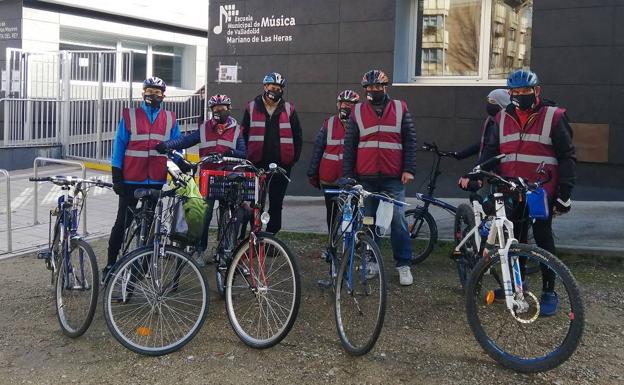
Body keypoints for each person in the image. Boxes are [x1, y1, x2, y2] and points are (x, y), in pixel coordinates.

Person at [465, 69, 576, 316]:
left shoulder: (554, 117)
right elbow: (491, 153)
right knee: (515, 240)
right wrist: (477, 173)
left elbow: (567, 157)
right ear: (509, 93)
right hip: (511, 189)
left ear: (537, 91)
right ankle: (519, 286)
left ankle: (549, 289)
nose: (520, 96)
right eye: (515, 92)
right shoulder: (502, 118)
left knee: (543, 238)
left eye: (525, 91)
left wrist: (564, 194)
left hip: (539, 191)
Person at [342, 69, 418, 286]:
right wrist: (348, 175)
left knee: (398, 222)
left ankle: (404, 265)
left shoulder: (400, 108)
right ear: (365, 89)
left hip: (393, 176)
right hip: (365, 177)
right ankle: (372, 262)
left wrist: (408, 169)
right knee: (368, 220)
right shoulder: (357, 112)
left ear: (385, 88)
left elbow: (410, 140)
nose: (373, 90)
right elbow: (350, 146)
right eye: (369, 88)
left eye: (378, 87)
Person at [104, 76, 182, 276]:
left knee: (150, 226)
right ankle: (110, 264)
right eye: (149, 90)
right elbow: (119, 145)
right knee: (122, 222)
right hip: (130, 179)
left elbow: (177, 146)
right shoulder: (130, 115)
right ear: (143, 93)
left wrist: (181, 167)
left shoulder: (170, 118)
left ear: (163, 95)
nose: (153, 95)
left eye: (157, 92)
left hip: (155, 180)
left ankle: (143, 265)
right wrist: (116, 176)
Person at [155, 94, 246, 264]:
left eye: (223, 108)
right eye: (216, 109)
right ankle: (199, 250)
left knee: (230, 214)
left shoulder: (237, 130)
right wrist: (167, 145)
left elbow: (243, 152)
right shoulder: (205, 129)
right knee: (205, 214)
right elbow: (186, 140)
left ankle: (225, 250)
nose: (220, 111)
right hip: (208, 178)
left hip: (228, 177)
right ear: (211, 111)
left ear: (229, 109)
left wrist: (230, 153)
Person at [240, 72, 303, 234]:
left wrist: (292, 159)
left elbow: (298, 135)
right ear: (265, 87)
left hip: (282, 165)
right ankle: (255, 234)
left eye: (278, 88)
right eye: (271, 86)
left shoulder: (289, 109)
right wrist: (245, 159)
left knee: (276, 203)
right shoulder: (252, 107)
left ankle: (272, 237)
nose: (275, 90)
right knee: (256, 202)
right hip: (256, 163)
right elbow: (243, 134)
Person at [307, 89, 361, 231]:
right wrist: (312, 173)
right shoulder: (329, 123)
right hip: (329, 178)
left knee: (353, 213)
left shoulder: (361, 124)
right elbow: (318, 148)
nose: (346, 106)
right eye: (343, 103)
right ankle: (331, 245)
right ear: (338, 105)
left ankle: (352, 244)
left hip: (351, 179)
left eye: (350, 104)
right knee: (332, 214)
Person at [453, 89, 511, 161]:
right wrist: (461, 154)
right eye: (488, 100)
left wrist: (480, 166)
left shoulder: (506, 123)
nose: (489, 104)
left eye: (492, 101)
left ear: (501, 104)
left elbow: (491, 147)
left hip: (498, 167)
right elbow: (484, 142)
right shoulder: (491, 120)